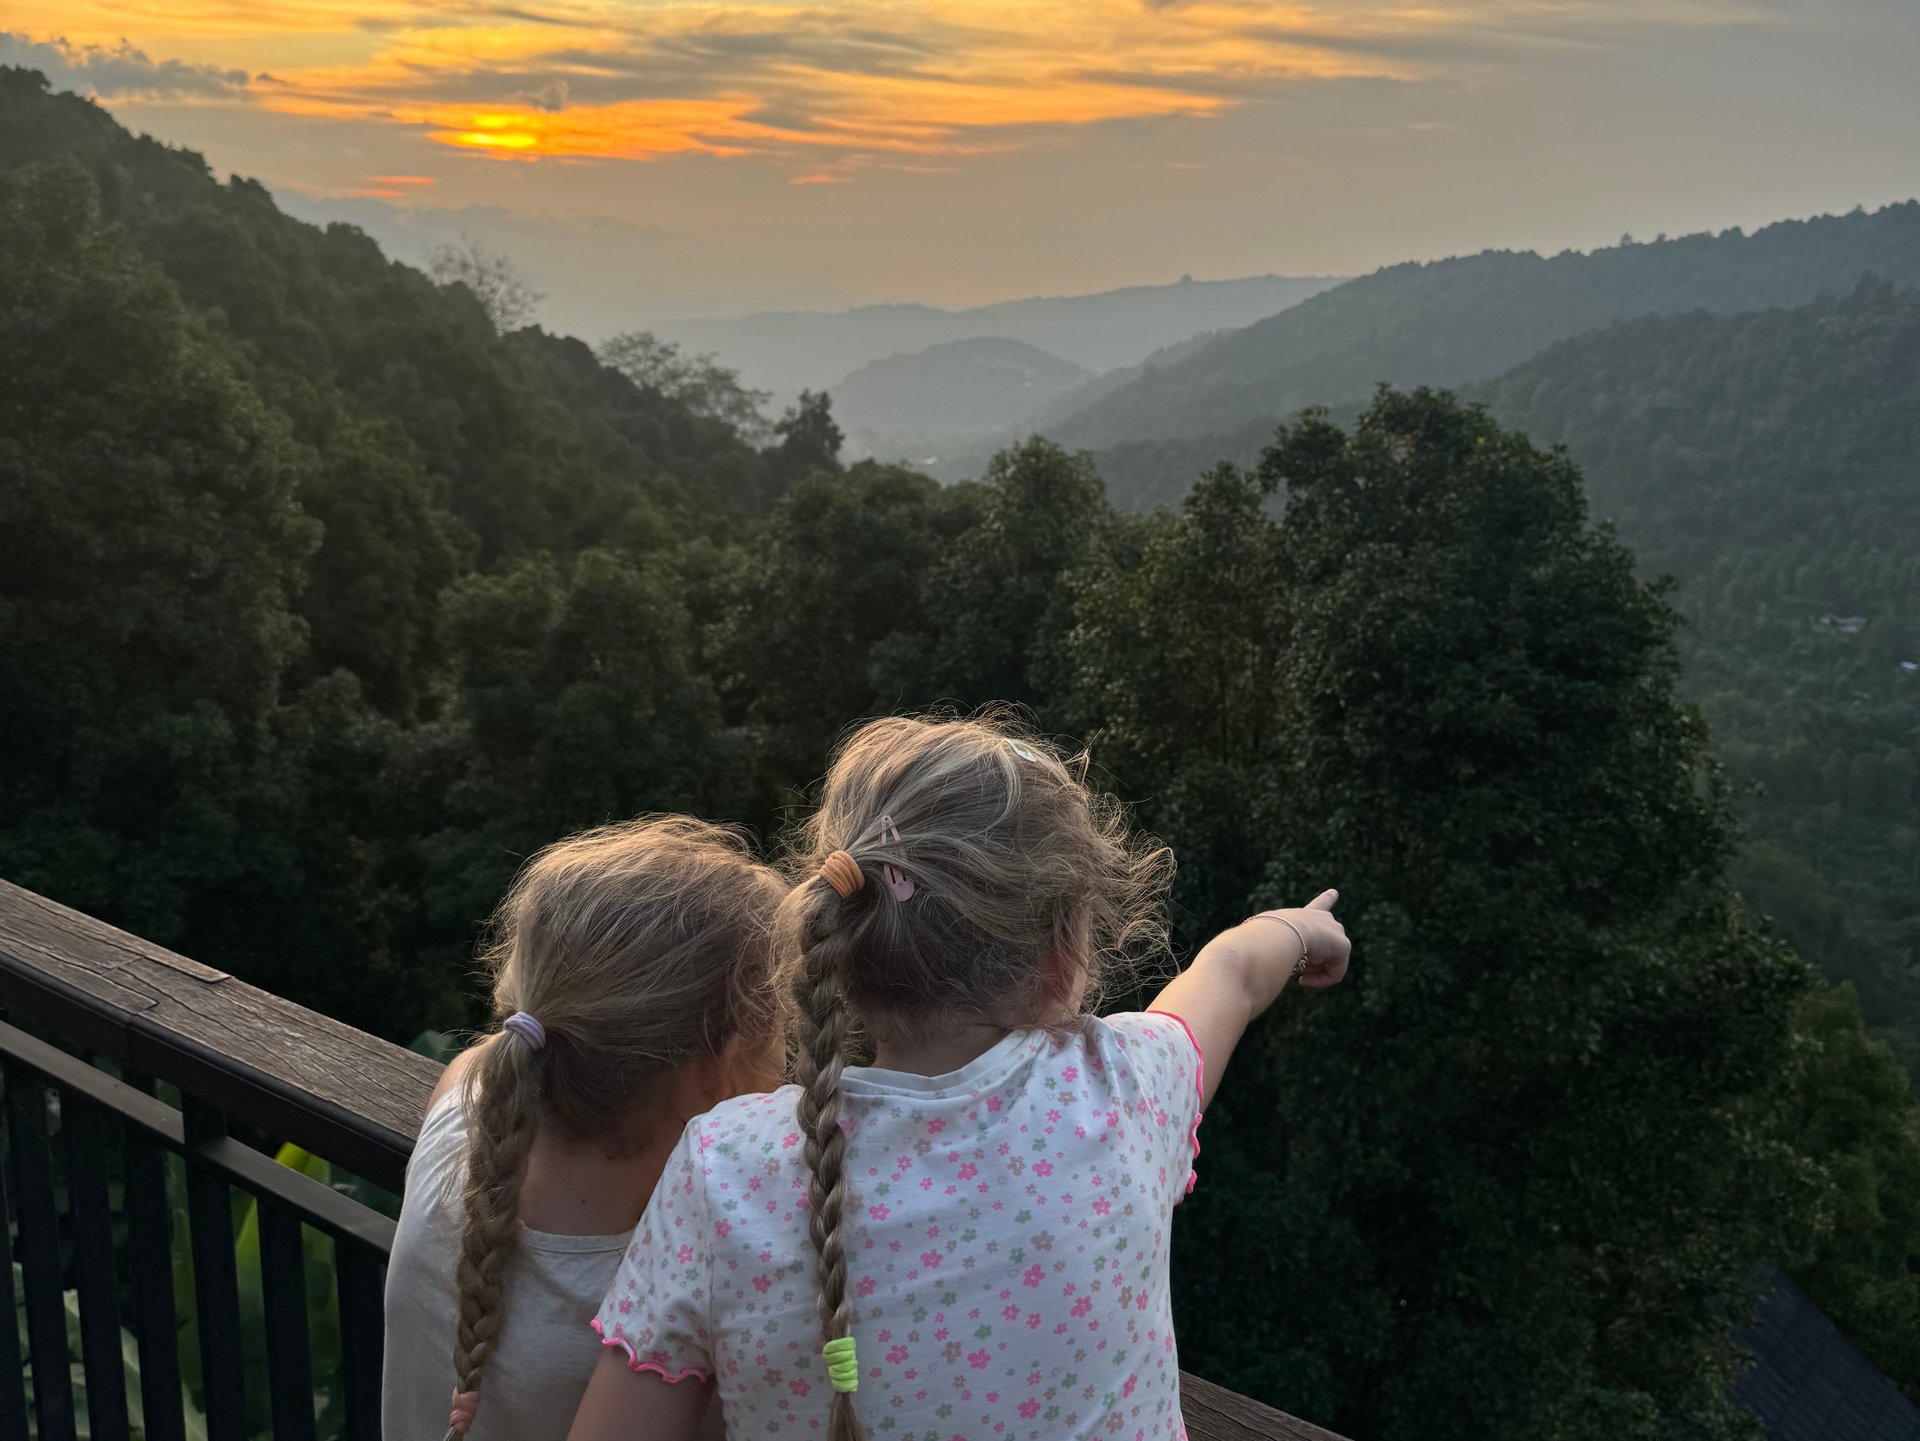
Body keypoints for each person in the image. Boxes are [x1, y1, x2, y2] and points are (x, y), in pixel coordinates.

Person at [570, 716, 1349, 1441]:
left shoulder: (724, 1169)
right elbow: (1233, 972)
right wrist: (1298, 927)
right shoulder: (1122, 1085)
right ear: (1062, 957)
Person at [383, 817, 789, 1441]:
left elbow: (488, 1056)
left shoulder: (462, 1114)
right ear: (719, 1070)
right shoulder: (695, 1285)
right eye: (782, 1025)